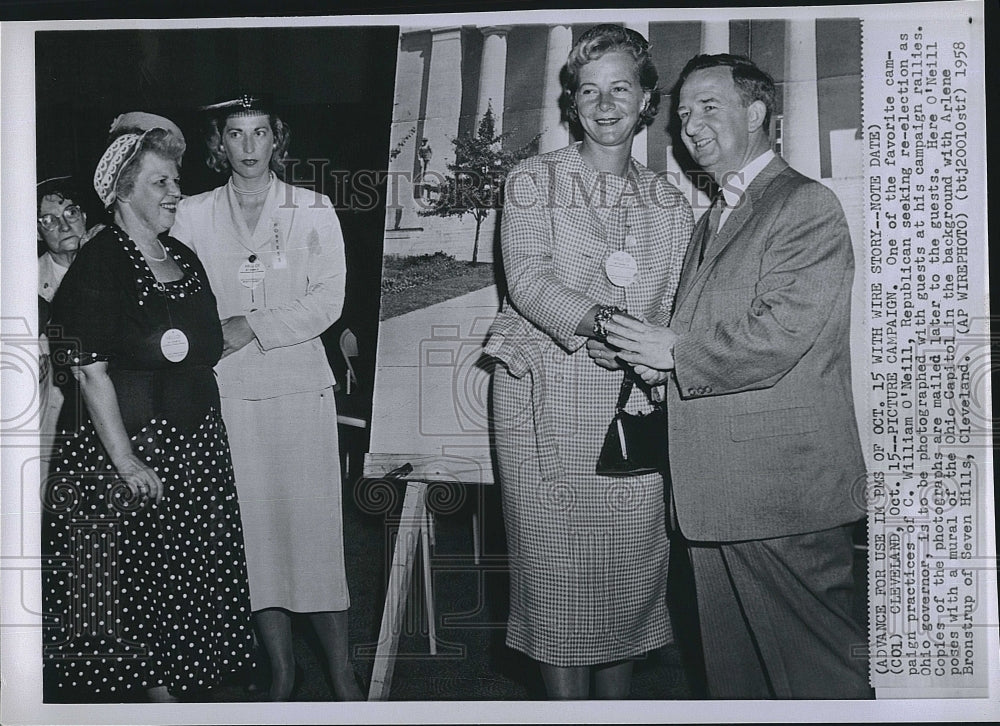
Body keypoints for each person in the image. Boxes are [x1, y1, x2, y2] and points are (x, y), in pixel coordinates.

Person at [597, 54, 872, 699]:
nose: (689, 124)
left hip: (781, 495)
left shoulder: (805, 203)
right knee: (738, 684)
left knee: (821, 680)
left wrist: (675, 354)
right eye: (683, 112)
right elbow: (702, 343)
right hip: (716, 497)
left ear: (757, 114)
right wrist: (644, 358)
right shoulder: (710, 219)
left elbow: (783, 335)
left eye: (708, 107)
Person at [484, 25, 692, 699]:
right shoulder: (532, 180)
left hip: (633, 407)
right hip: (544, 395)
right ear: (572, 103)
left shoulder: (671, 203)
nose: (605, 105)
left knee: (631, 571)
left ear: (646, 99)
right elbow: (530, 280)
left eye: (621, 89)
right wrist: (607, 324)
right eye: (589, 91)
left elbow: (680, 303)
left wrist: (647, 351)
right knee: (559, 577)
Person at [42, 117, 254, 702]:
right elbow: (88, 367)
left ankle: (186, 691)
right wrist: (127, 461)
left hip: (195, 448)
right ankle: (155, 702)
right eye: (159, 182)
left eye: (175, 180)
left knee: (188, 580)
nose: (173, 192)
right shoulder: (100, 260)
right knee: (138, 585)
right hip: (135, 452)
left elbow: (205, 346)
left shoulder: (182, 255)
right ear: (123, 191)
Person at [170, 94, 363, 701]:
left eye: (259, 133)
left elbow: (329, 300)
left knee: (313, 534)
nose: (248, 146)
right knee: (253, 537)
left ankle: (341, 674)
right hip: (227, 393)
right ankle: (280, 671)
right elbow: (177, 295)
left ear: (277, 139)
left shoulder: (312, 207)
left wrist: (251, 325)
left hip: (299, 388)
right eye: (235, 134)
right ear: (218, 144)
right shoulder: (193, 213)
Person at [37, 176, 103, 481]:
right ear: (39, 232)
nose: (64, 226)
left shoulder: (110, 260)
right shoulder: (30, 282)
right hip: (60, 410)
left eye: (71, 212)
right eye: (49, 220)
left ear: (85, 216)